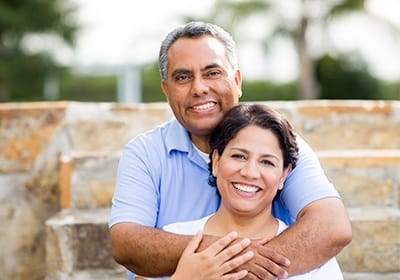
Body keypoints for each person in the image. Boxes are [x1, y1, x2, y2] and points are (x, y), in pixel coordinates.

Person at [109, 21, 352, 279]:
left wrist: (237, 268)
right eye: (182, 77)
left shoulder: (278, 143)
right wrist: (225, 259)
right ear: (166, 90)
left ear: (236, 81)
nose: (199, 88)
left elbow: (332, 226)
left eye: (213, 73)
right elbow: (126, 243)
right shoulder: (145, 153)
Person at [142, 103, 344, 280]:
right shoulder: (174, 236)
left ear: (284, 175)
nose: (250, 172)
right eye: (239, 156)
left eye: (267, 162)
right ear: (216, 161)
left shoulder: (313, 257)